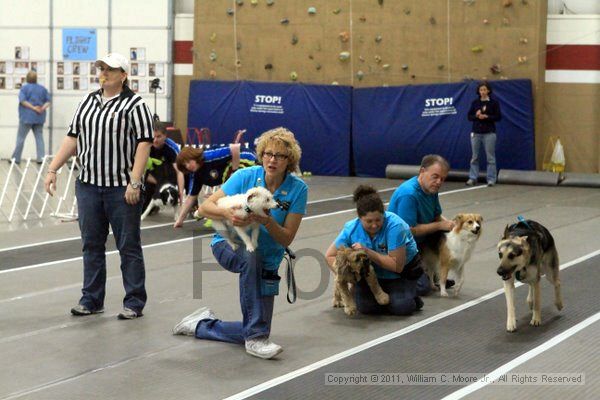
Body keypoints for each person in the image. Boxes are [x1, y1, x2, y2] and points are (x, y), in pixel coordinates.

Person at [172, 127, 308, 360]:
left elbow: (286, 238)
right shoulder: (246, 177)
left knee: (260, 324)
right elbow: (204, 207)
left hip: (269, 260)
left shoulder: (298, 190)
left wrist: (265, 221)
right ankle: (254, 340)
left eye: (279, 156)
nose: (272, 159)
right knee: (250, 257)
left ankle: (200, 325)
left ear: (290, 160)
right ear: (261, 154)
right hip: (228, 244)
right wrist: (227, 215)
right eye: (267, 153)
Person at [44, 53, 154, 320]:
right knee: (91, 244)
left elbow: (144, 143)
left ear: (123, 75)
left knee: (128, 245)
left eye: (109, 69)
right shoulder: (87, 102)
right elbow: (72, 138)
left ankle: (134, 302)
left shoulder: (135, 105)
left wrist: (135, 182)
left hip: (120, 187)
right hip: (88, 185)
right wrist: (52, 169)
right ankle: (92, 299)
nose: (103, 72)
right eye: (101, 68)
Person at [325, 185, 425, 315]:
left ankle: (410, 295)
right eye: (369, 221)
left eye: (378, 220)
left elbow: (397, 266)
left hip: (401, 273)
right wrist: (347, 275)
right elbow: (329, 255)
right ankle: (392, 297)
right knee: (365, 308)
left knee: (402, 307)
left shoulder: (395, 226)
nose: (374, 225)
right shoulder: (351, 229)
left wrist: (368, 252)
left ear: (384, 215)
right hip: (371, 276)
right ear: (359, 218)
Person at [387, 154, 455, 296]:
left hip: (421, 242)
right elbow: (409, 230)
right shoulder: (409, 194)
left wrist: (453, 227)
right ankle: (396, 278)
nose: (438, 182)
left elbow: (437, 216)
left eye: (442, 179)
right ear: (422, 171)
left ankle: (430, 271)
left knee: (448, 237)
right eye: (435, 176)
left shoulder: (431, 189)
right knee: (423, 288)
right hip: (401, 247)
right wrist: (440, 225)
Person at [173, 145, 256, 228]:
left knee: (228, 190)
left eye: (188, 162)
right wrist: (180, 220)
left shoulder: (209, 156)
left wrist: (235, 171)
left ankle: (248, 215)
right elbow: (191, 197)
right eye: (185, 165)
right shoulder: (195, 174)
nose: (188, 166)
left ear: (193, 156)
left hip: (247, 158)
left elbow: (235, 148)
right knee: (226, 193)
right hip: (235, 173)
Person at [142, 117, 185, 214]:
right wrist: (159, 183)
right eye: (153, 137)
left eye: (159, 136)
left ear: (165, 136)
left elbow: (179, 172)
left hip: (170, 176)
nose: (155, 140)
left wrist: (181, 192)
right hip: (153, 176)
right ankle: (151, 206)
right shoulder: (145, 146)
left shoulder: (171, 147)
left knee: (186, 172)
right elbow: (141, 171)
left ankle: (193, 205)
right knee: (143, 209)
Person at [466, 81, 502, 187]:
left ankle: (491, 179)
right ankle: (473, 178)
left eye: (485, 90)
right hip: (476, 133)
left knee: (490, 157)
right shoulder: (475, 103)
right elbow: (469, 117)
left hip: (489, 133)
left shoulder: (494, 103)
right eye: (481, 90)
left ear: (488, 91)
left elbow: (498, 117)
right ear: (479, 91)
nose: (483, 92)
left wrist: (487, 117)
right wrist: (476, 116)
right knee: (474, 157)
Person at [11, 71, 50, 164]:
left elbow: (23, 101)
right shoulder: (43, 89)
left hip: (26, 117)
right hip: (39, 117)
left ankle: (16, 159)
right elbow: (48, 101)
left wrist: (33, 108)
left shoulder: (24, 89)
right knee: (39, 138)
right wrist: (41, 108)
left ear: (27, 78)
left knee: (21, 138)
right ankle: (41, 158)